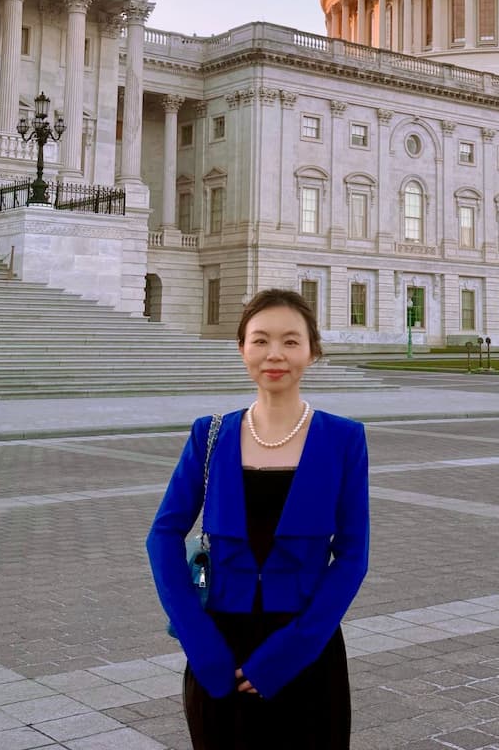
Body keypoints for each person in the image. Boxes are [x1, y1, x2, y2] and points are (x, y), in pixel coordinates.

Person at [146, 288, 370, 750]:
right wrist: (197, 640)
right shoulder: (210, 434)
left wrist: (293, 651)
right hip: (220, 655)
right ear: (241, 348)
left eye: (291, 341)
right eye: (260, 340)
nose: (275, 354)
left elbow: (352, 557)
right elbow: (164, 534)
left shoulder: (344, 439)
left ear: (313, 350)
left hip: (307, 650)